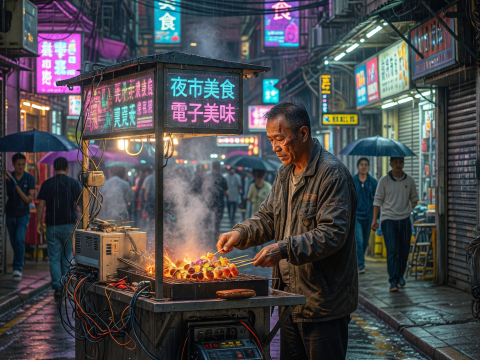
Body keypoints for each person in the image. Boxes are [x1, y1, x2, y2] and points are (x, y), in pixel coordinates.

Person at [217, 101, 358, 360]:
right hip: (287, 300)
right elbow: (268, 217)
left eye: (280, 138)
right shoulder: (284, 175)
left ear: (303, 133)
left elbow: (332, 233)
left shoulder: (332, 175)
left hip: (322, 305)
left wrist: (283, 248)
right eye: (271, 140)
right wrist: (241, 233)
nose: (275, 147)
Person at [37, 157, 82, 301]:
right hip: (69, 225)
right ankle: (66, 285)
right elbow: (80, 206)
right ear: (67, 168)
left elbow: (41, 205)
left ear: (54, 168)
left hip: (53, 226)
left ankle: (57, 286)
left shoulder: (47, 184)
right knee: (67, 256)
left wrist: (39, 222)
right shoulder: (74, 183)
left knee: (54, 257)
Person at [372, 157, 418, 292]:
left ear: (403, 163)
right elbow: (377, 201)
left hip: (404, 220)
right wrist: (375, 220)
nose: (398, 165)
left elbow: (414, 200)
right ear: (391, 163)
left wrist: (407, 209)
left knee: (403, 251)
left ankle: (400, 276)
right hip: (388, 220)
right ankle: (393, 281)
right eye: (395, 162)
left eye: (401, 162)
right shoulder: (384, 180)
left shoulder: (409, 180)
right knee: (392, 251)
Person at [5, 153, 35, 281]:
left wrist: (17, 187)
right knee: (13, 241)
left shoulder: (29, 178)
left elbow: (29, 200)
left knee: (19, 239)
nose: (21, 166)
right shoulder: (8, 177)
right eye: (19, 164)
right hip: (10, 213)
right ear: (13, 164)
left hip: (23, 214)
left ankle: (17, 267)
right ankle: (19, 261)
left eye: (23, 164)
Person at [353, 157, 377, 274]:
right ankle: (360, 265)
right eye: (361, 164)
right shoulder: (352, 181)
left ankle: (358, 261)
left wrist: (375, 218)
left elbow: (377, 201)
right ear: (358, 166)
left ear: (368, 167)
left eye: (366, 164)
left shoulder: (373, 182)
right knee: (360, 241)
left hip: (368, 216)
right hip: (356, 216)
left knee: (365, 242)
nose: (363, 166)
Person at [203, 161, 228, 240]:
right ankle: (216, 236)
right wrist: (229, 200)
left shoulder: (208, 177)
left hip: (209, 202)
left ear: (212, 167)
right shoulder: (222, 178)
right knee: (217, 222)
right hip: (219, 203)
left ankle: (207, 236)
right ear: (219, 168)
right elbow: (227, 192)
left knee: (208, 220)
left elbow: (204, 189)